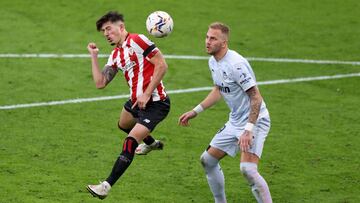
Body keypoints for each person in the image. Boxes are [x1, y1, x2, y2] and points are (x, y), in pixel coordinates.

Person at [179, 22, 272, 203]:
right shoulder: (213, 61)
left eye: (213, 38)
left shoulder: (236, 65)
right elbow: (218, 90)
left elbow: (256, 98)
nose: (207, 42)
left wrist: (248, 130)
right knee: (207, 160)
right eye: (207, 37)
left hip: (256, 121)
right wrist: (195, 111)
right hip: (235, 121)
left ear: (224, 42)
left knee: (248, 170)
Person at [86, 11, 170, 199]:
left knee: (130, 141)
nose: (106, 33)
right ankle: (151, 144)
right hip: (136, 102)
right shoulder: (116, 54)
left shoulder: (137, 40)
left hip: (156, 102)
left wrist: (147, 93)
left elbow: (162, 65)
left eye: (109, 28)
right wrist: (93, 56)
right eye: (103, 31)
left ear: (121, 27)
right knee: (123, 124)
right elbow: (100, 83)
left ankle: (106, 186)